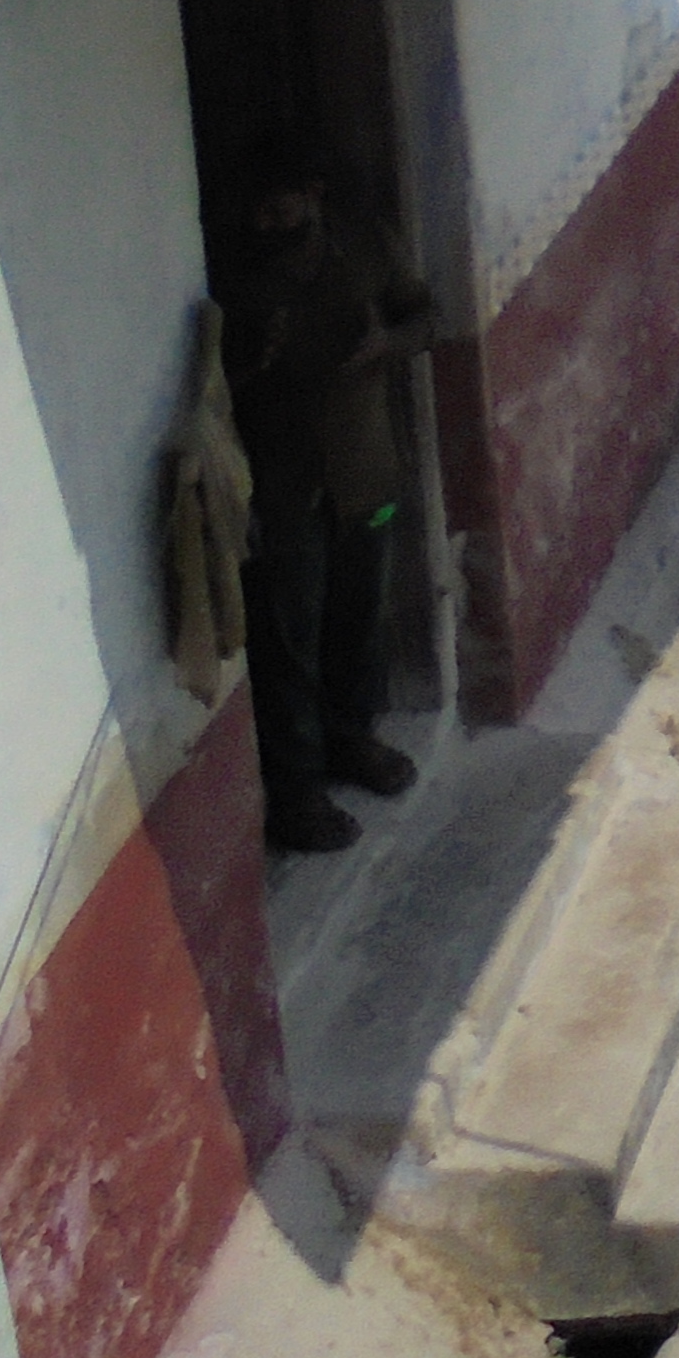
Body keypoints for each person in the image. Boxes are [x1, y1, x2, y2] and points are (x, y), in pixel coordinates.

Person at [227, 173, 439, 855]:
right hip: (283, 488)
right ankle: (296, 793)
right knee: (291, 635)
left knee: (358, 615)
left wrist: (388, 347)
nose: (268, 222)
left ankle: (353, 738)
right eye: (258, 211)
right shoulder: (238, 280)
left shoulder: (367, 249)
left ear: (313, 195)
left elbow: (427, 319)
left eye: (279, 204)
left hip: (363, 475)